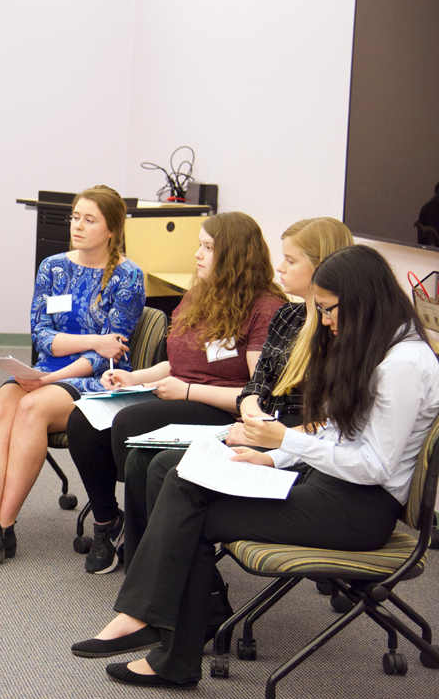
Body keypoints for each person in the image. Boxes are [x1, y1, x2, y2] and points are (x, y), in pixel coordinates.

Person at [71, 244, 439, 689]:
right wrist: (270, 455)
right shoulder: (378, 346)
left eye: (328, 309)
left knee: (194, 501)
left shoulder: (404, 365)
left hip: (359, 510)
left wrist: (285, 439)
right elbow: (333, 433)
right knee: (181, 471)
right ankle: (157, 634)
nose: (324, 320)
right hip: (330, 485)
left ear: (362, 300)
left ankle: (159, 637)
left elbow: (373, 468)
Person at [65, 211, 287, 574]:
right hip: (179, 392)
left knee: (129, 425)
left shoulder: (264, 309)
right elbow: (177, 364)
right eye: (199, 245)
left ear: (235, 254)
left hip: (223, 409)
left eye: (208, 247)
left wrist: (187, 391)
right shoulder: (201, 294)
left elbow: (256, 395)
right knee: (82, 420)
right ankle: (108, 523)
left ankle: (150, 542)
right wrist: (134, 378)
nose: (198, 254)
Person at [122, 217, 354, 564]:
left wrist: (266, 434)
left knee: (165, 468)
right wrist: (250, 414)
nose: (280, 266)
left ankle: (171, 583)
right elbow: (255, 386)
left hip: (296, 446)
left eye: (290, 260)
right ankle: (146, 572)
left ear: (324, 267)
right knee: (143, 459)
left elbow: (330, 423)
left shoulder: (337, 336)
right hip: (263, 428)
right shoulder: (288, 317)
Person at [0, 186, 145, 569]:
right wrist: (94, 340)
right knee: (1, 407)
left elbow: (110, 354)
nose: (78, 226)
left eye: (90, 219)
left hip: (97, 379)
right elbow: (42, 336)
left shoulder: (128, 277)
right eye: (75, 217)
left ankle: (3, 529)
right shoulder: (53, 266)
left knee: (32, 409)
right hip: (46, 369)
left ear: (112, 230)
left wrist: (64, 371)